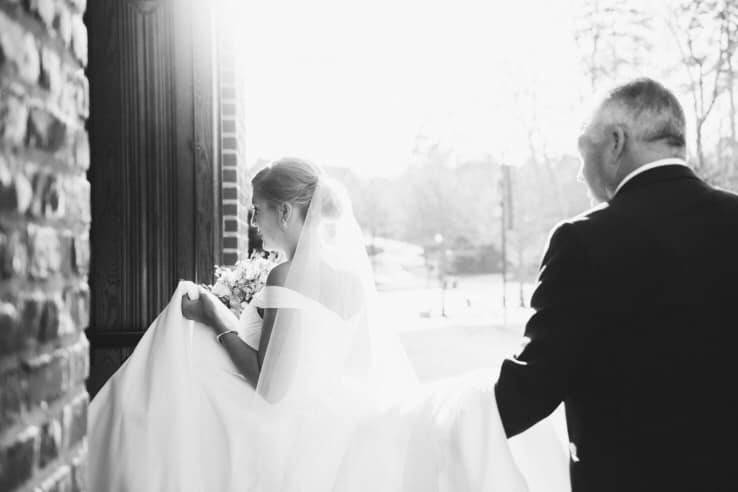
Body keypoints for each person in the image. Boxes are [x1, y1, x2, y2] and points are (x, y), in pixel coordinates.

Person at [88, 158, 536, 491]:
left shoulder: (285, 275)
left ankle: (102, 455)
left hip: (280, 418)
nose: (254, 222)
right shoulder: (351, 286)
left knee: (175, 352)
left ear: (285, 212)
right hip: (333, 408)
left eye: (258, 210)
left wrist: (213, 315)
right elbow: (351, 363)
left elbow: (267, 384)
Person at [495, 78, 738, 491]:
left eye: (582, 151)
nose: (578, 172)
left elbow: (529, 391)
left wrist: (432, 418)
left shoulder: (582, 242)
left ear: (615, 142)